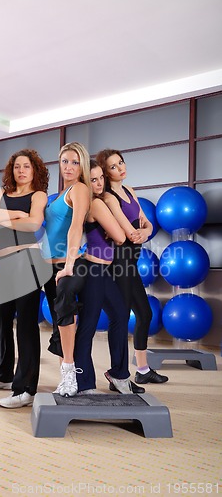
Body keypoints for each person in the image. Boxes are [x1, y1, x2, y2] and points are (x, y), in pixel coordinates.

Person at [0, 149, 52, 408]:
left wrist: (8, 218)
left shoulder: (39, 195)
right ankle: (4, 375)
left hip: (28, 261)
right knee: (0, 318)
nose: (21, 171)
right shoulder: (3, 193)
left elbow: (34, 225)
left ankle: (26, 389)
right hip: (6, 263)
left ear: (35, 171)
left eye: (27, 167)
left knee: (26, 326)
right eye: (17, 167)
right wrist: (19, 216)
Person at [96, 149, 168, 385]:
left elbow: (145, 225)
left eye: (121, 163)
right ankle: (118, 374)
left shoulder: (130, 191)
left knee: (144, 314)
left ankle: (143, 369)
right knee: (121, 317)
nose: (120, 168)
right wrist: (140, 232)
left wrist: (145, 231)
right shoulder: (108, 198)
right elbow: (129, 231)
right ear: (106, 172)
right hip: (118, 262)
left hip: (131, 262)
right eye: (113, 166)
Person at [74, 160, 145, 394]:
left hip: (103, 271)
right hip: (93, 272)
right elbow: (121, 237)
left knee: (120, 315)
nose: (99, 183)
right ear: (85, 182)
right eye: (93, 180)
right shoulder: (95, 204)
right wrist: (115, 228)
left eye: (100, 178)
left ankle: (118, 375)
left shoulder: (100, 202)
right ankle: (84, 383)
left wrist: (115, 228)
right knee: (88, 327)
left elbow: (117, 233)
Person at [42, 142, 91, 397]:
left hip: (67, 263)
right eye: (64, 161)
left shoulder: (80, 189)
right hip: (48, 267)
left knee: (64, 311)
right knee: (58, 321)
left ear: (82, 164)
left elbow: (76, 227)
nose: (68, 167)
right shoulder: (60, 193)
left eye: (74, 162)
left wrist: (70, 265)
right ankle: (65, 379)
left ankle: (70, 372)